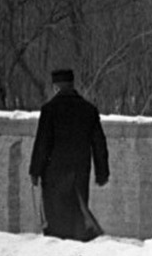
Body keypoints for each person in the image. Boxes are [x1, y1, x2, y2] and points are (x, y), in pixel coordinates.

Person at [28, 67, 109, 241]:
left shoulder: (49, 110)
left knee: (56, 218)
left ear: (56, 87)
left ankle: (58, 253)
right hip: (80, 171)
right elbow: (99, 144)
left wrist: (35, 171)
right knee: (77, 214)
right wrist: (102, 172)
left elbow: (42, 144)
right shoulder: (89, 110)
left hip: (54, 174)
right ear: (72, 85)